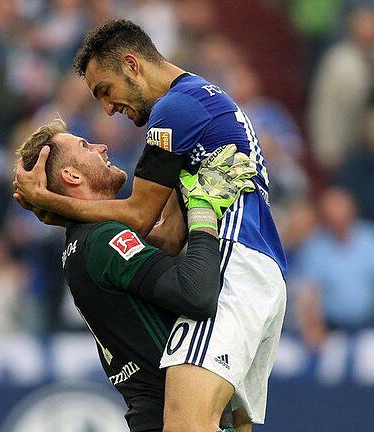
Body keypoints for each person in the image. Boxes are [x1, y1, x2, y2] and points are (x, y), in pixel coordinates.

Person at [14, 20, 287, 432]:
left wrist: (50, 202)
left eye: (105, 90)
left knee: (184, 425)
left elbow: (140, 216)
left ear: (131, 64)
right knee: (227, 424)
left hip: (231, 263)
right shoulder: (198, 103)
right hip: (257, 266)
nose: (107, 110)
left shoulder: (173, 111)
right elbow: (166, 235)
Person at [17, 119, 254, 431]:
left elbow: (165, 242)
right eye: (85, 147)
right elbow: (196, 294)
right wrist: (202, 209)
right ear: (71, 176)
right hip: (176, 416)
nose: (102, 147)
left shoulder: (83, 243)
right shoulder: (103, 238)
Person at [294, 187, 374, 349]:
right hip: (333, 330)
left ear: (352, 210)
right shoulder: (315, 247)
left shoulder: (373, 238)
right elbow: (308, 296)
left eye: (340, 208)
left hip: (373, 324)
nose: (337, 216)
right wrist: (313, 329)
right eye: (330, 211)